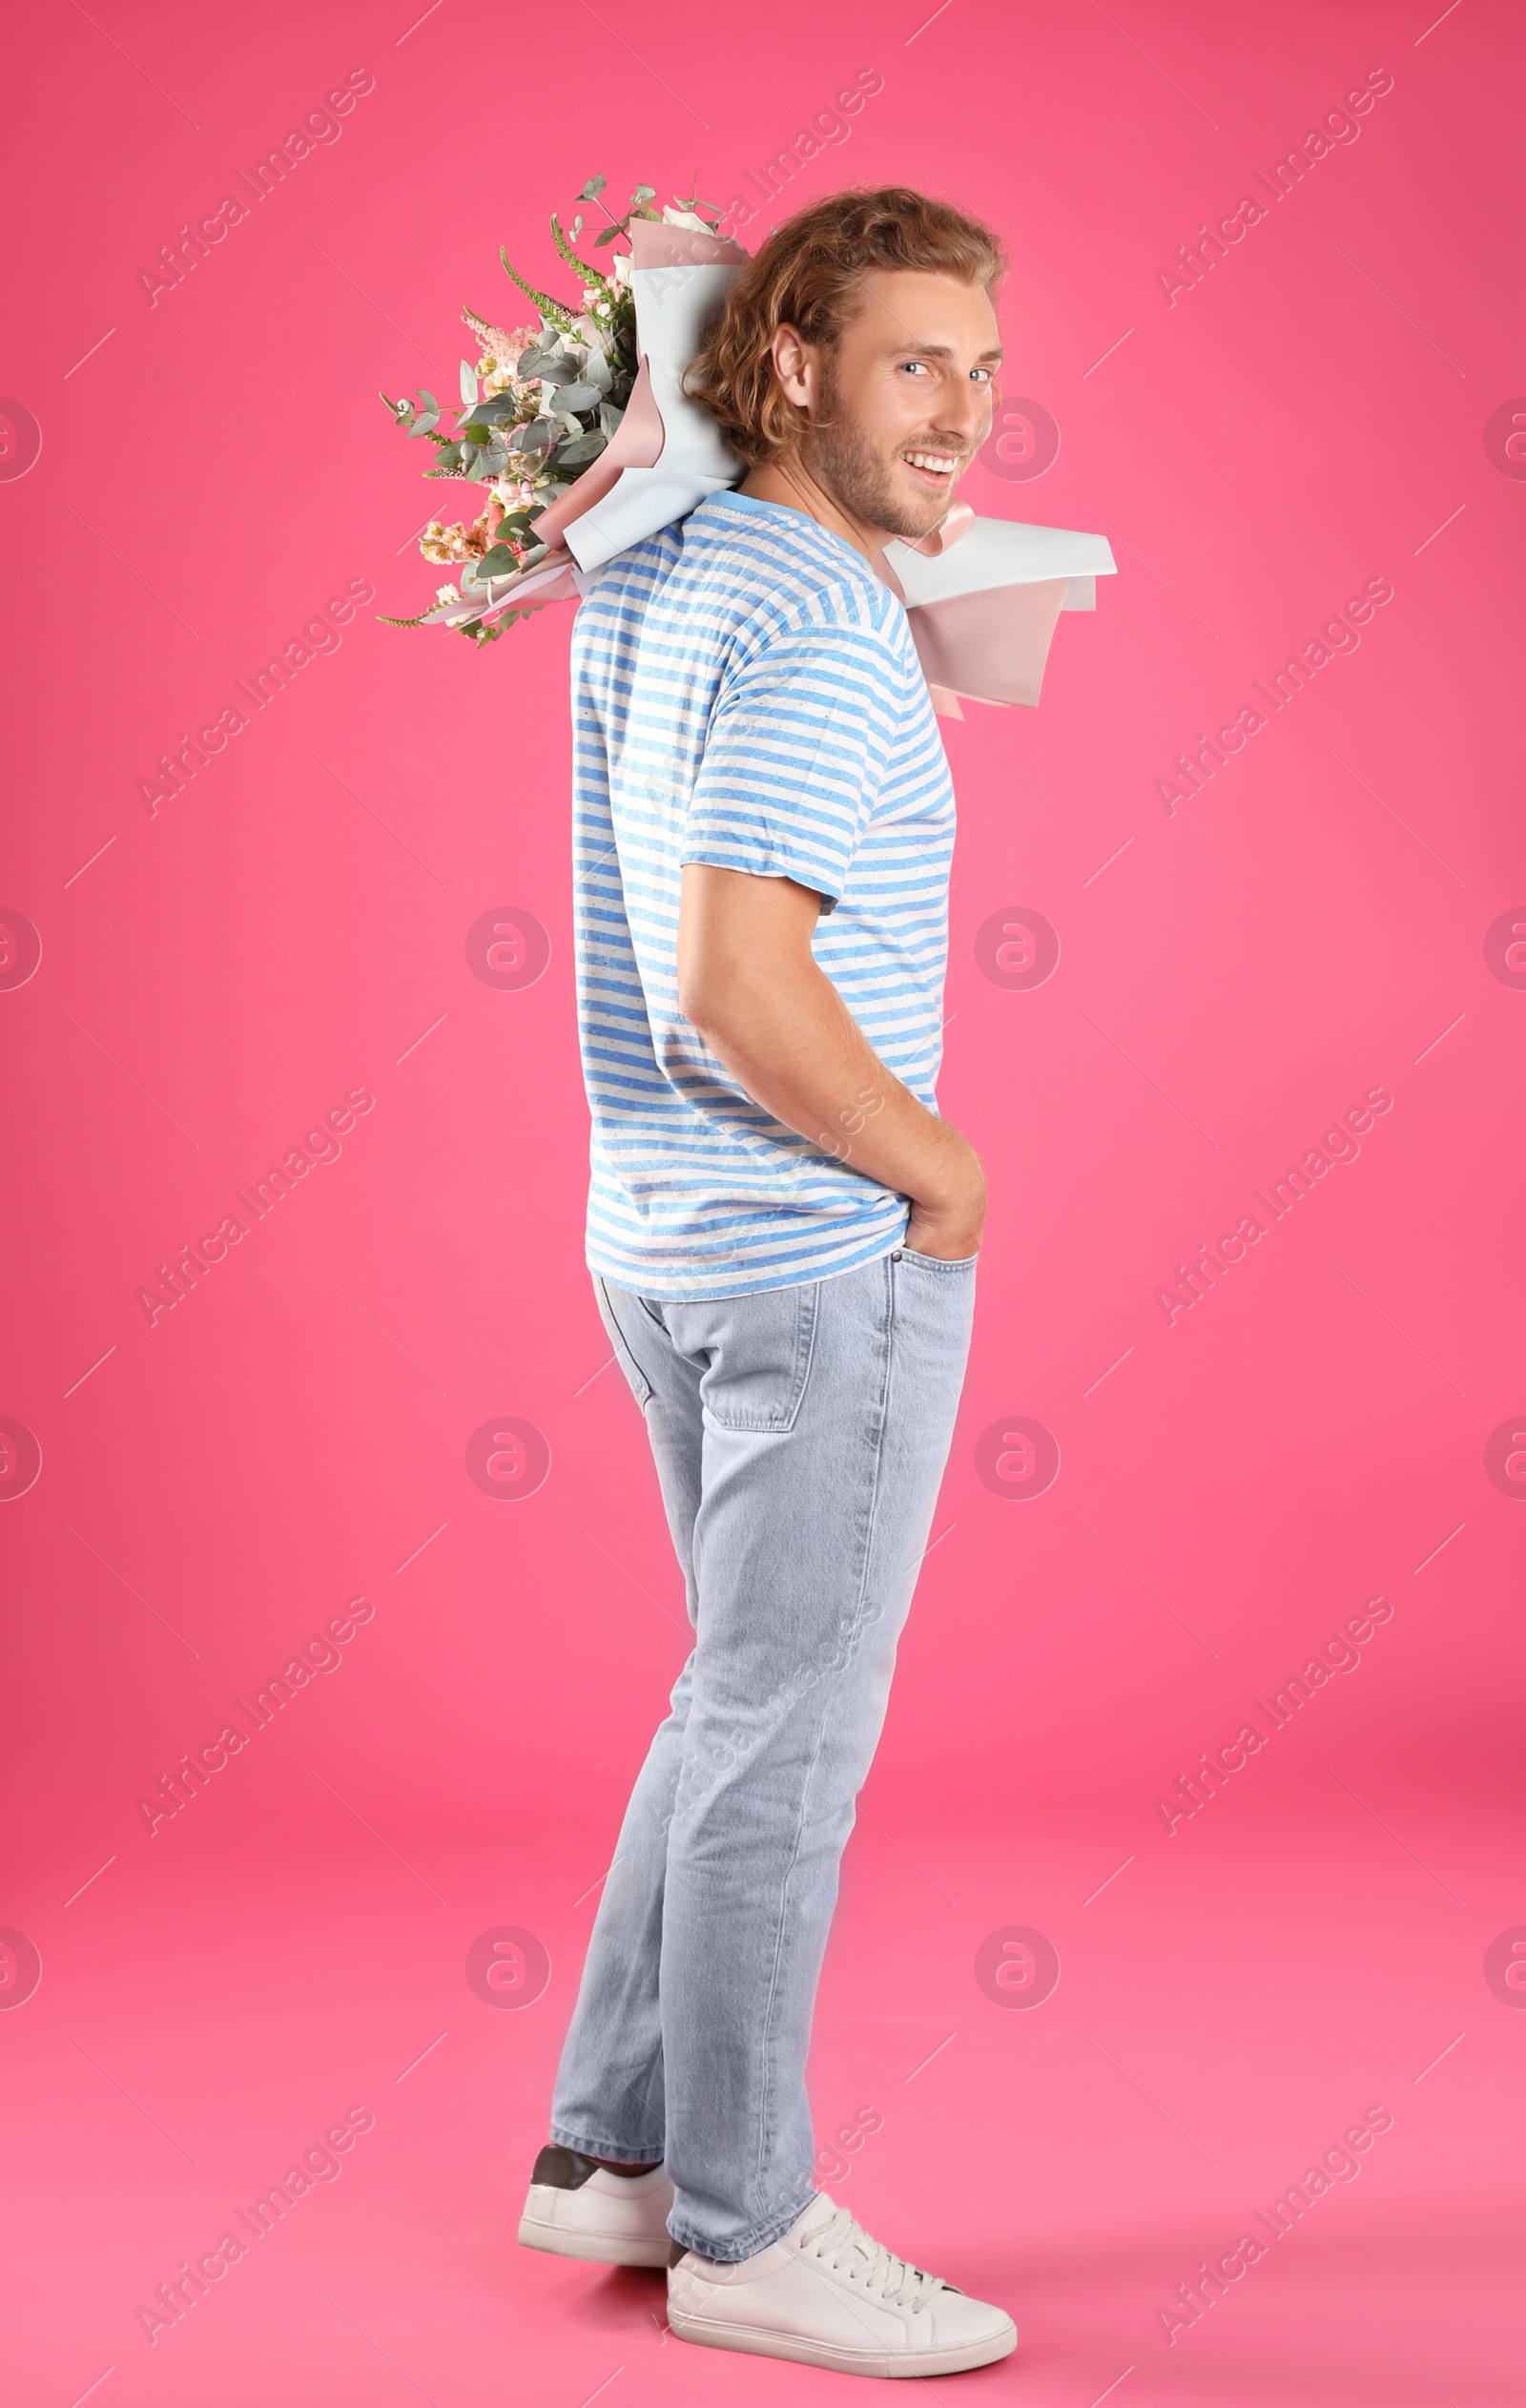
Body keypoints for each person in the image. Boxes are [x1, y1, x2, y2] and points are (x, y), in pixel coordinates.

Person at [517, 186, 1018, 2378]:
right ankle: (745, 2222)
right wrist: (939, 1171)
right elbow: (739, 979)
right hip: (809, 1255)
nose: (967, 414)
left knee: (725, 1701)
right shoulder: (804, 610)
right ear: (794, 360)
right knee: (781, 1736)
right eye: (920, 363)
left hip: (656, 1238)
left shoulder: (658, 568)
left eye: (983, 370)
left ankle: (609, 2150)